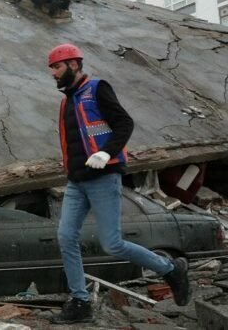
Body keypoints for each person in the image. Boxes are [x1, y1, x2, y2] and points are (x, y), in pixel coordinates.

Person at [47, 43, 191, 324]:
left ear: (74, 65)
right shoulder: (67, 102)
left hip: (103, 177)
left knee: (112, 243)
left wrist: (106, 152)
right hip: (77, 182)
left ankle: (171, 269)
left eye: (56, 67)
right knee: (66, 237)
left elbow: (124, 123)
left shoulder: (98, 88)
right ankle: (80, 302)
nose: (53, 73)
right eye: (52, 68)